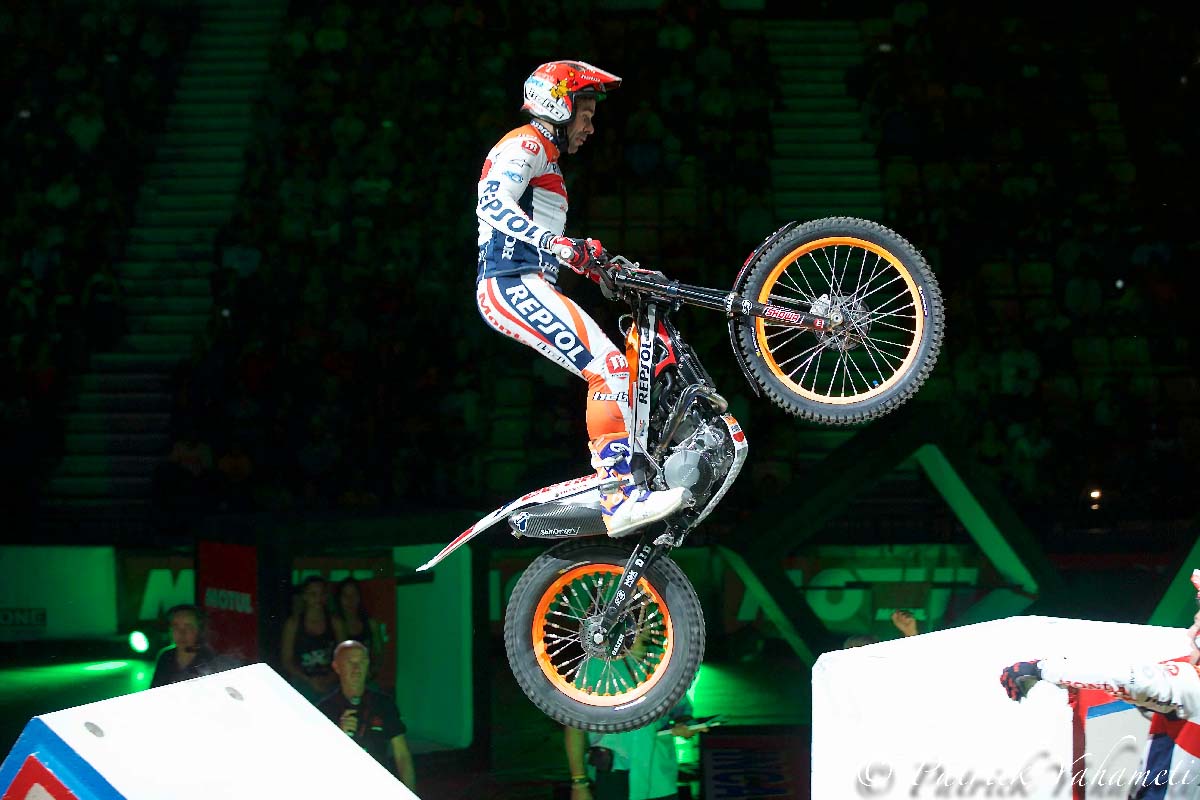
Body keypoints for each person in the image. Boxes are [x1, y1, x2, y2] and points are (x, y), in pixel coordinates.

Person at [474, 60, 684, 537]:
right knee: (608, 369)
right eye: (585, 114)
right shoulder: (526, 143)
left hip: (527, 280)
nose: (590, 127)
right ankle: (619, 495)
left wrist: (590, 261)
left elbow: (543, 238)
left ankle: (626, 486)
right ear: (559, 104)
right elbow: (491, 203)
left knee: (617, 369)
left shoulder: (545, 157)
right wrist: (557, 245)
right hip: (509, 282)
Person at [1000, 570, 1200, 795]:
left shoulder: (1192, 683)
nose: (1190, 634)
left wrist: (1040, 668)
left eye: (1196, 623)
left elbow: (1125, 677)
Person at [563, 697, 707, 800]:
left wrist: (685, 723)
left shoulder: (666, 665)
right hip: (612, 778)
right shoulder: (594, 669)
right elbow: (574, 727)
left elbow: (681, 710)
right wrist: (579, 783)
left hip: (657, 775)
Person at [318, 640, 415, 789]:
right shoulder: (325, 709)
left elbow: (401, 754)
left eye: (361, 662)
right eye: (350, 662)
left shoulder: (383, 703)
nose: (356, 669)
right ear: (337, 667)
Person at [281, 575, 346, 702]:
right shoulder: (293, 624)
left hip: (331, 682)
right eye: (313, 594)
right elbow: (286, 660)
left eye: (321, 594)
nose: (317, 599)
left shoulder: (336, 623)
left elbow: (344, 656)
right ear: (304, 596)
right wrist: (309, 680)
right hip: (303, 683)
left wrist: (330, 679)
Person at [150, 604, 218, 687]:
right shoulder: (165, 656)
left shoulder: (209, 658)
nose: (181, 633)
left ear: (199, 630)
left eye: (188, 627)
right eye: (175, 626)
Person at [333, 576, 384, 680]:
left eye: (353, 595)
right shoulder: (335, 623)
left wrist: (372, 669)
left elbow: (379, 652)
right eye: (345, 595)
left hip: (367, 678)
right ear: (339, 598)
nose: (350, 600)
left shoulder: (371, 623)